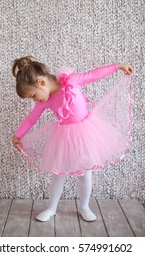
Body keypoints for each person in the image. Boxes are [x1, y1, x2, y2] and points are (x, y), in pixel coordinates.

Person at [11, 56, 133, 222]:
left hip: (86, 134)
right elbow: (31, 119)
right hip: (63, 138)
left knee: (85, 175)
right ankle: (51, 208)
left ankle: (84, 207)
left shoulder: (71, 81)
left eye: (33, 96)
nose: (35, 100)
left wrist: (118, 66)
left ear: (41, 83)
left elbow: (94, 75)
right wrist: (18, 135)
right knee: (58, 174)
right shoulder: (44, 101)